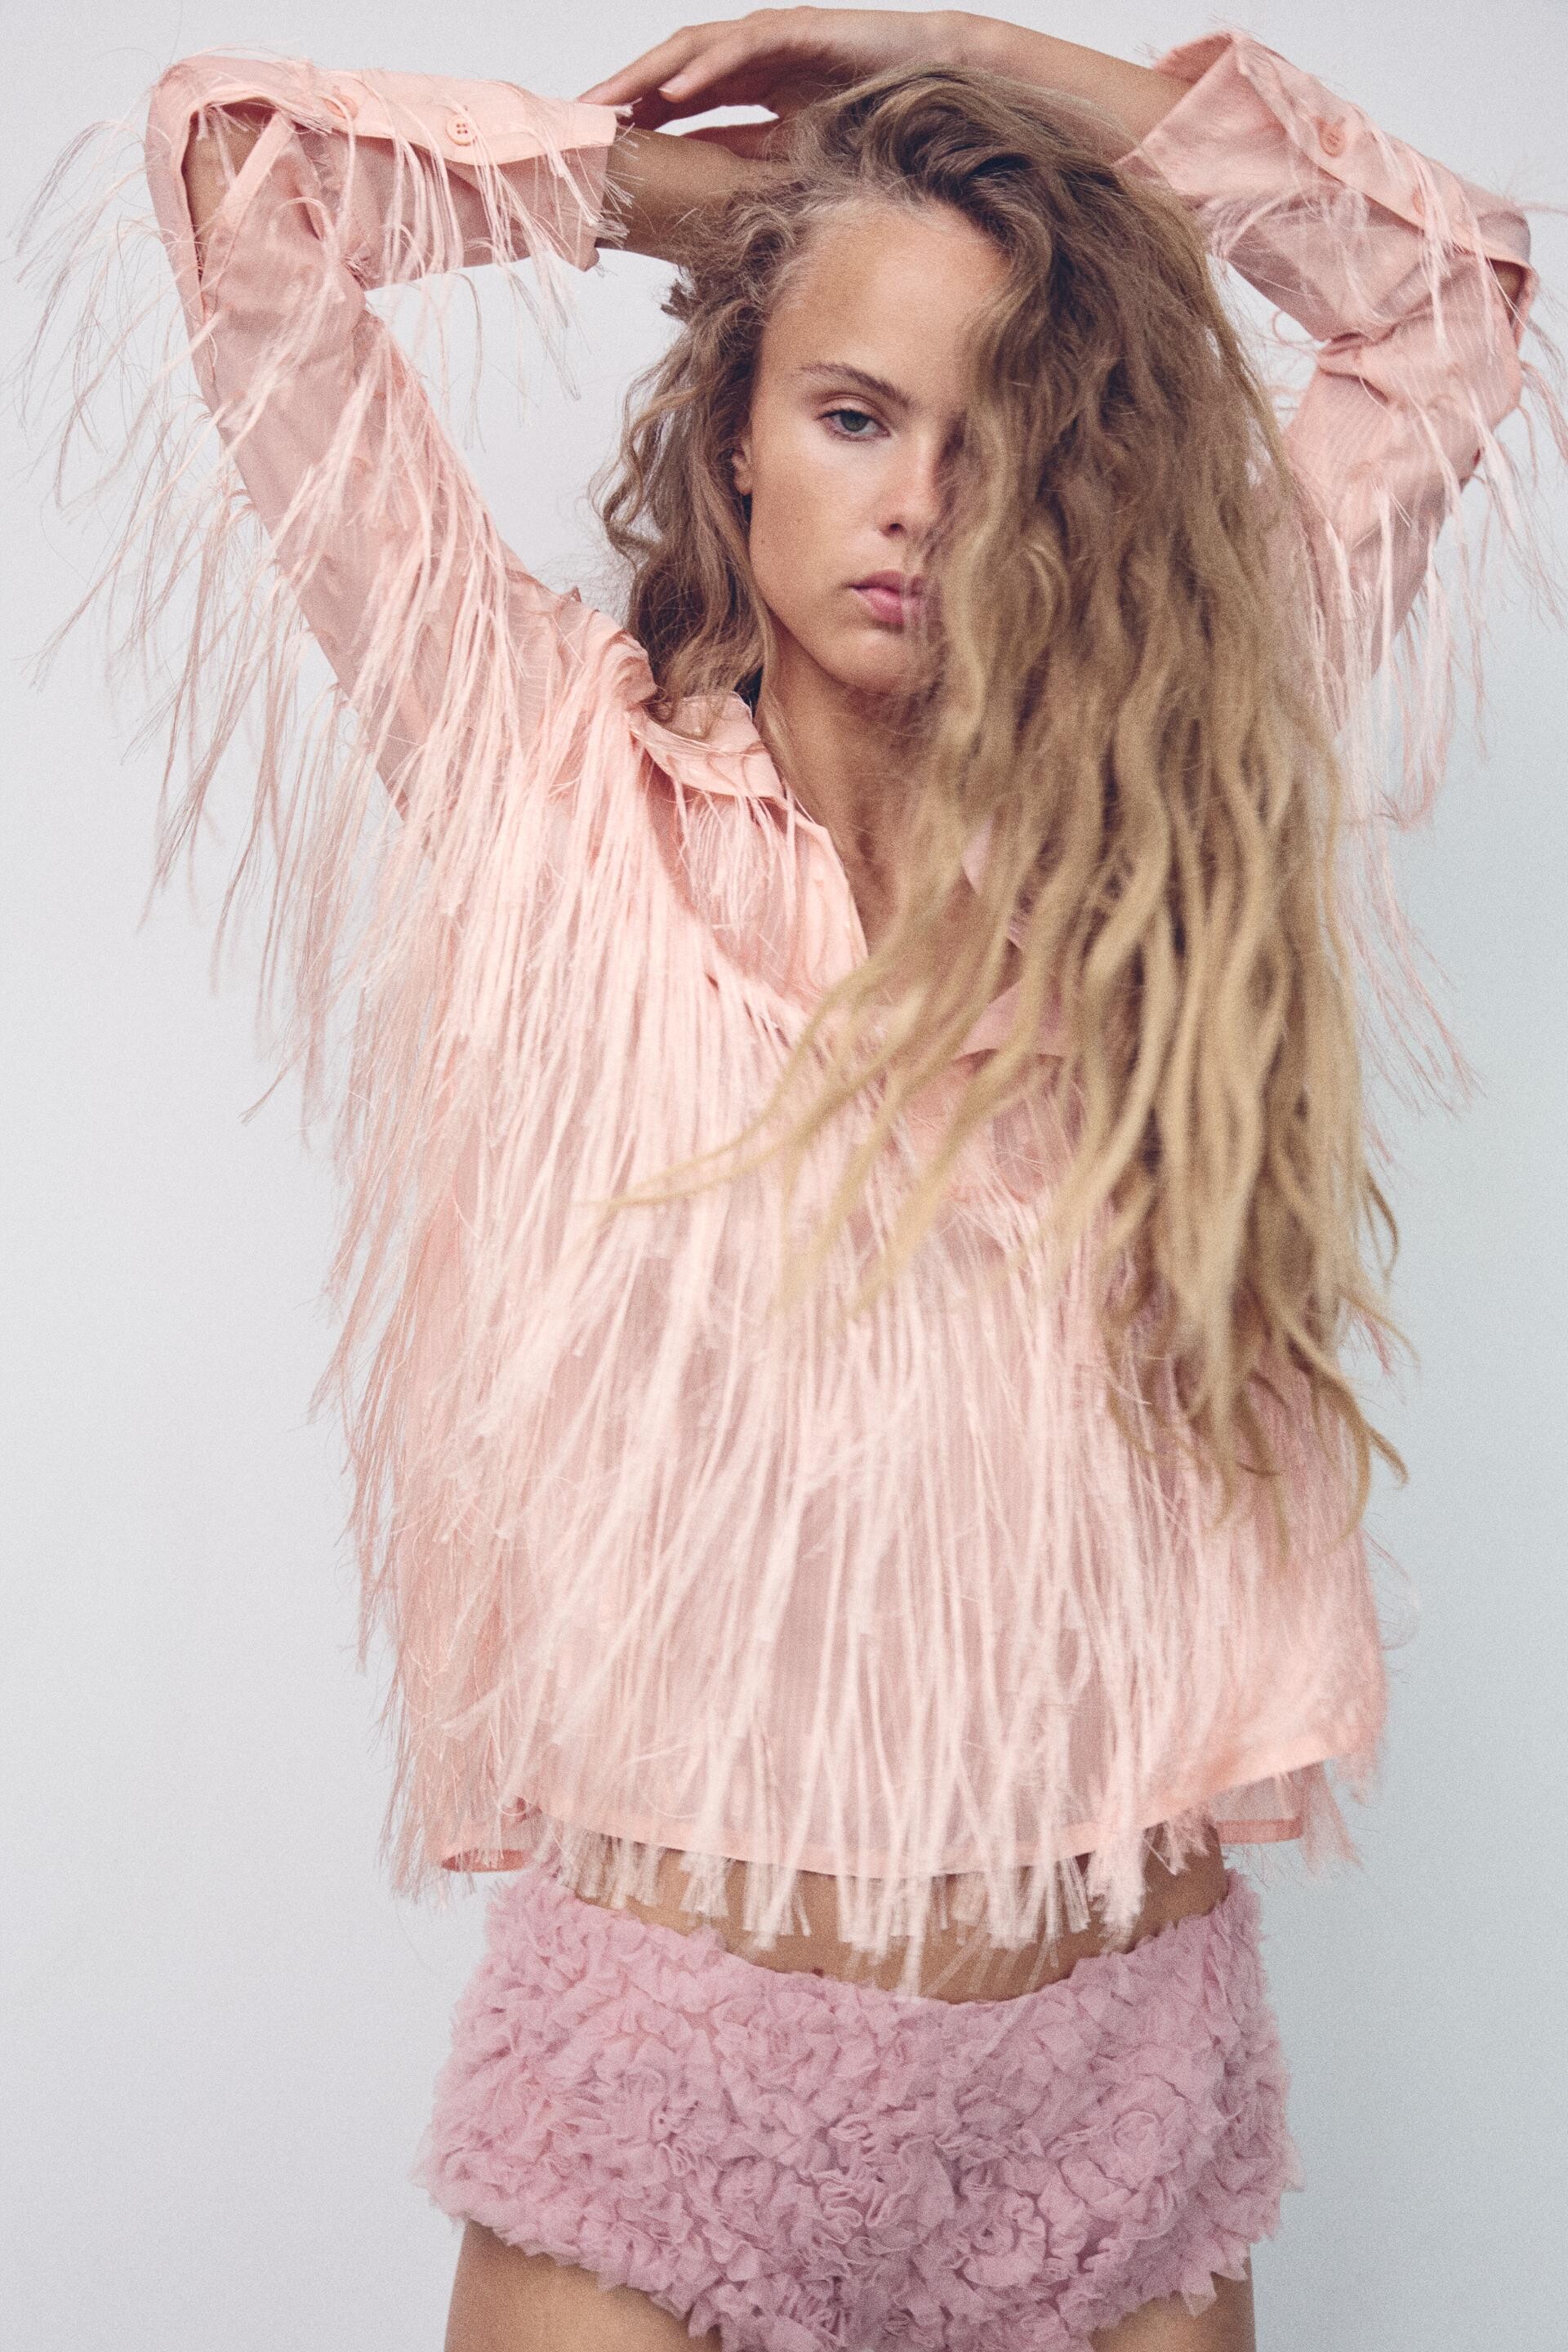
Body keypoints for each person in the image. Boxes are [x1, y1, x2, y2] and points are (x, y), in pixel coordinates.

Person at [17, 9, 1561, 2347]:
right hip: (679, 2075)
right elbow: (246, 191)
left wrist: (967, 66)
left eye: (994, 436)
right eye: (854, 412)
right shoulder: (541, 778)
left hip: (1116, 2081)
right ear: (735, 430)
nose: (922, 500)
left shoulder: (1170, 785)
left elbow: (1447, 309)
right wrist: (690, 209)